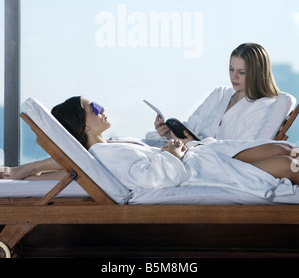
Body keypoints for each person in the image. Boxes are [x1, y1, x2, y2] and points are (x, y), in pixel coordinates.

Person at [1, 96, 299, 199]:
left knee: (287, 152)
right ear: (85, 127)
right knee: (291, 167)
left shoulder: (107, 148)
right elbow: (154, 178)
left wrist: (29, 168)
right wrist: (171, 156)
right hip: (201, 168)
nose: (100, 107)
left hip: (206, 152)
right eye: (92, 107)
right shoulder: (102, 155)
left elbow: (75, 163)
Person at [151, 42, 282, 144]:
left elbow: (240, 149)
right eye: (231, 69)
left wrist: (195, 145)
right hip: (189, 152)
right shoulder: (220, 94)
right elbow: (190, 127)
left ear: (257, 74)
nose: (234, 76)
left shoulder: (262, 106)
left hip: (210, 161)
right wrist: (169, 133)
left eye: (241, 72)